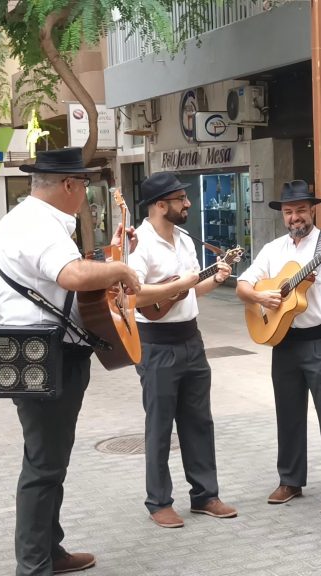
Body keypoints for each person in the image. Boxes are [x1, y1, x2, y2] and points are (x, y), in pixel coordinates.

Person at [0, 148, 140, 575]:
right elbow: (70, 275)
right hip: (43, 352)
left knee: (50, 459)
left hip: (39, 350)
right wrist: (120, 271)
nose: (85, 194)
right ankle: (34, 565)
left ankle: (49, 551)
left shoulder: (30, 219)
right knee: (44, 465)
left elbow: (65, 273)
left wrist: (111, 255)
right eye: (84, 185)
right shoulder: (39, 223)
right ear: (69, 184)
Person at [236, 180, 321, 515]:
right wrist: (260, 296)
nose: (295, 217)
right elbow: (242, 285)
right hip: (283, 340)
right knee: (288, 413)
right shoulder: (273, 249)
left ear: (312, 211)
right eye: (289, 211)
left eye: (301, 210)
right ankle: (290, 480)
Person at [129, 171, 237, 529]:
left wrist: (214, 279)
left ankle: (205, 496)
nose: (188, 203)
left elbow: (190, 290)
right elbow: (134, 296)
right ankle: (159, 502)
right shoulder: (139, 243)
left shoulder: (185, 239)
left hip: (191, 338)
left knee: (199, 421)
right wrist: (178, 286)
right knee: (159, 425)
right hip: (155, 343)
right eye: (181, 199)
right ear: (161, 205)